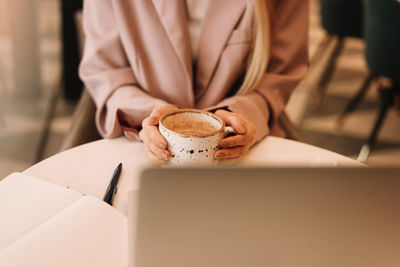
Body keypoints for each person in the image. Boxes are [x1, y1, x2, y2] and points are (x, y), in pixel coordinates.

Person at [79, 0, 309, 165]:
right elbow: (106, 71)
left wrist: (238, 115)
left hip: (242, 150)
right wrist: (150, 118)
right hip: (139, 145)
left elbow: (280, 74)